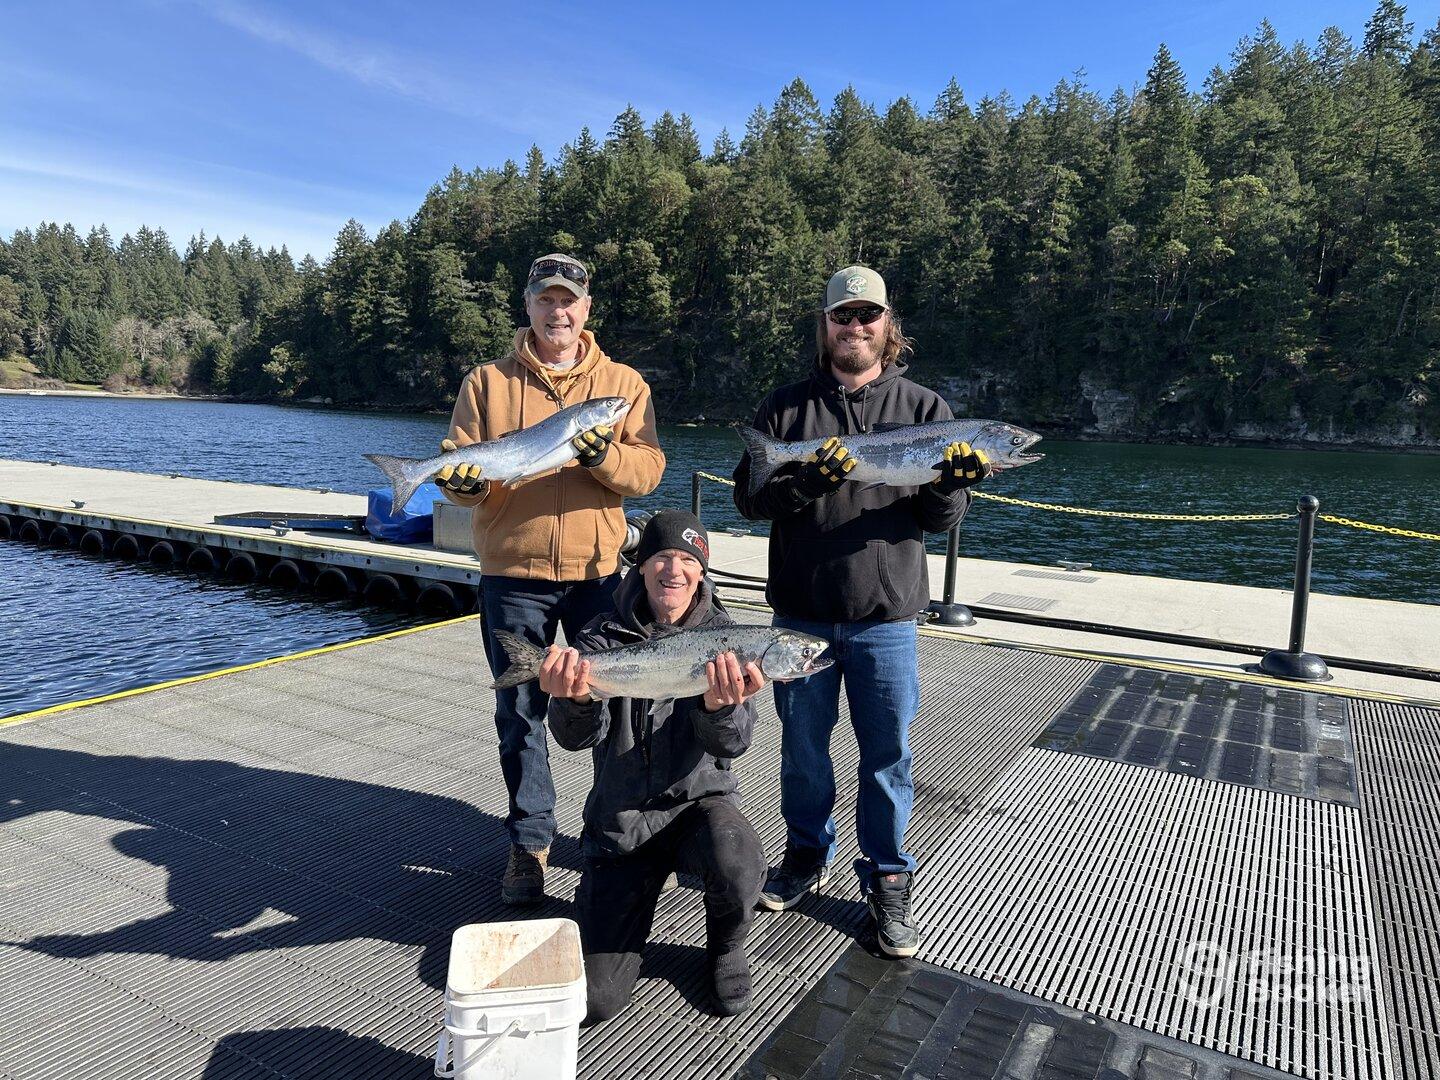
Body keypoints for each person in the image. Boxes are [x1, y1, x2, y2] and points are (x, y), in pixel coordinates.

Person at [732, 265, 992, 958]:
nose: (855, 327)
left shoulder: (928, 409)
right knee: (802, 754)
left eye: (867, 316)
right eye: (842, 316)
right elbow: (751, 503)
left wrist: (950, 485)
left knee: (888, 759)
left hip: (887, 620)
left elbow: (939, 519)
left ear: (887, 325)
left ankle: (888, 878)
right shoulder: (784, 410)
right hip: (801, 616)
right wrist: (803, 484)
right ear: (825, 325)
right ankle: (805, 853)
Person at [436, 253, 665, 906]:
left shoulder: (622, 384)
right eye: (545, 299)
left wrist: (605, 455)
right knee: (521, 711)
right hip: (512, 576)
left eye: (568, 300)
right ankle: (530, 844)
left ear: (586, 308)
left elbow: (647, 470)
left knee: (615, 703)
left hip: (599, 577)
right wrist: (461, 481)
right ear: (528, 306)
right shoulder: (486, 381)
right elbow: (464, 471)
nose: (557, 311)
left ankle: (609, 833)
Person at [542, 511, 767, 1021]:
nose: (675, 570)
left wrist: (721, 707)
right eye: (662, 557)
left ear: (702, 574)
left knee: (739, 860)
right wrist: (573, 700)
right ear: (640, 567)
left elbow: (734, 746)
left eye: (689, 561)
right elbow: (573, 739)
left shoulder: (727, 638)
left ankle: (727, 947)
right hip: (622, 819)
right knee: (596, 1001)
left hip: (698, 808)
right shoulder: (600, 635)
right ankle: (606, 903)